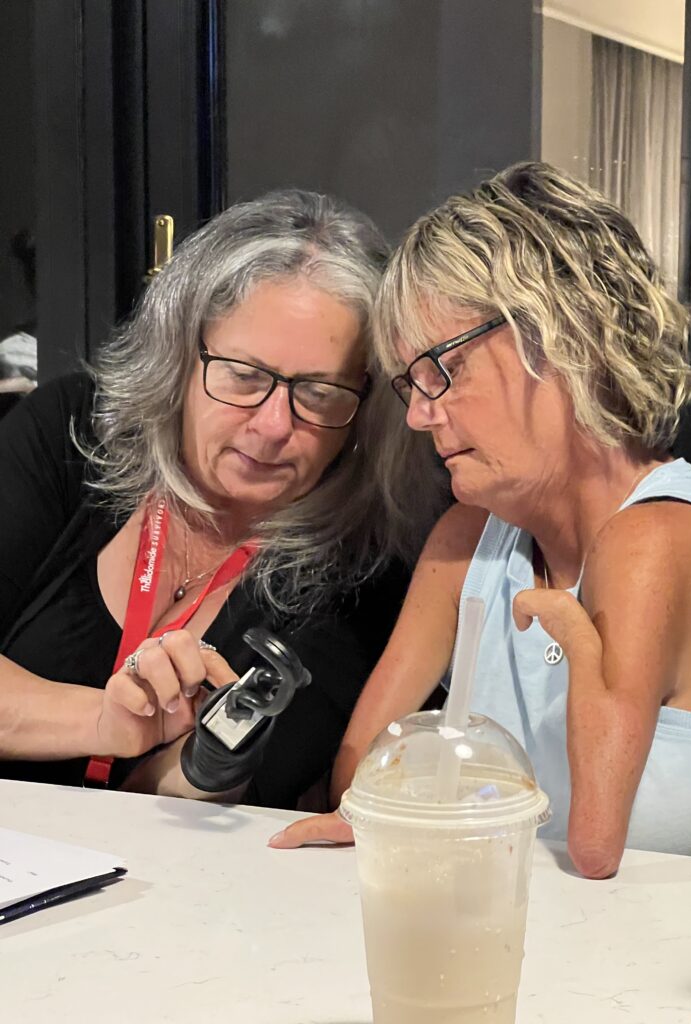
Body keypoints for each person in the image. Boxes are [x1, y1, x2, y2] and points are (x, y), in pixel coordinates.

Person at [271, 162, 691, 873]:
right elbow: (358, 785)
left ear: (561, 335)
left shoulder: (653, 540)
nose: (418, 413)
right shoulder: (469, 541)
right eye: (409, 382)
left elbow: (594, 851)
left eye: (443, 368)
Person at [0, 190, 443, 805]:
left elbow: (196, 800)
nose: (272, 426)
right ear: (180, 354)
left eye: (318, 393)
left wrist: (208, 761)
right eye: (244, 375)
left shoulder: (366, 569)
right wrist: (103, 723)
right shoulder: (72, 433)